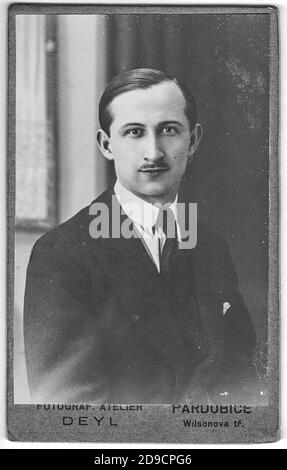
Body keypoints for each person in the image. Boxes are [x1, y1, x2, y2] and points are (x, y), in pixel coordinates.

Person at [24, 68, 259, 404]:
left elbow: (244, 378)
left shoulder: (210, 245)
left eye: (169, 130)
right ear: (107, 145)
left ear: (193, 140)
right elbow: (70, 410)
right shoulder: (62, 254)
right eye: (134, 132)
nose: (154, 152)